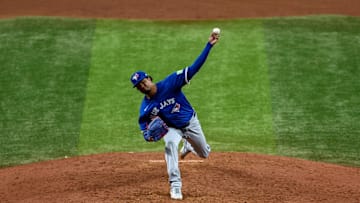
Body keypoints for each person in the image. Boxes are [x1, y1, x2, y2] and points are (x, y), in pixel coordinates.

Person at [130, 30, 219, 200]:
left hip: (191, 122)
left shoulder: (171, 82)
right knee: (170, 145)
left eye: (143, 81)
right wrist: (150, 137)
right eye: (138, 86)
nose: (142, 86)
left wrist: (208, 46)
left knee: (204, 154)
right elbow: (146, 133)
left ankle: (189, 146)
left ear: (149, 78)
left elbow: (194, 69)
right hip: (172, 129)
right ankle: (175, 185)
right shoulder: (145, 109)